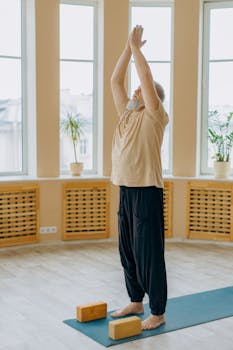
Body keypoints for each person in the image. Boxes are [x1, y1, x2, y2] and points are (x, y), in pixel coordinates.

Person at [110, 25, 169, 331]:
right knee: (128, 249)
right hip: (126, 188)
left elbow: (145, 80)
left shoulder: (154, 115)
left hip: (147, 191)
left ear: (151, 99)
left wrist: (137, 50)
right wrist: (126, 47)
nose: (134, 91)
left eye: (139, 92)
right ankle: (135, 299)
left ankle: (157, 311)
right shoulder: (128, 114)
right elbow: (115, 81)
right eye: (134, 92)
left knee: (148, 253)